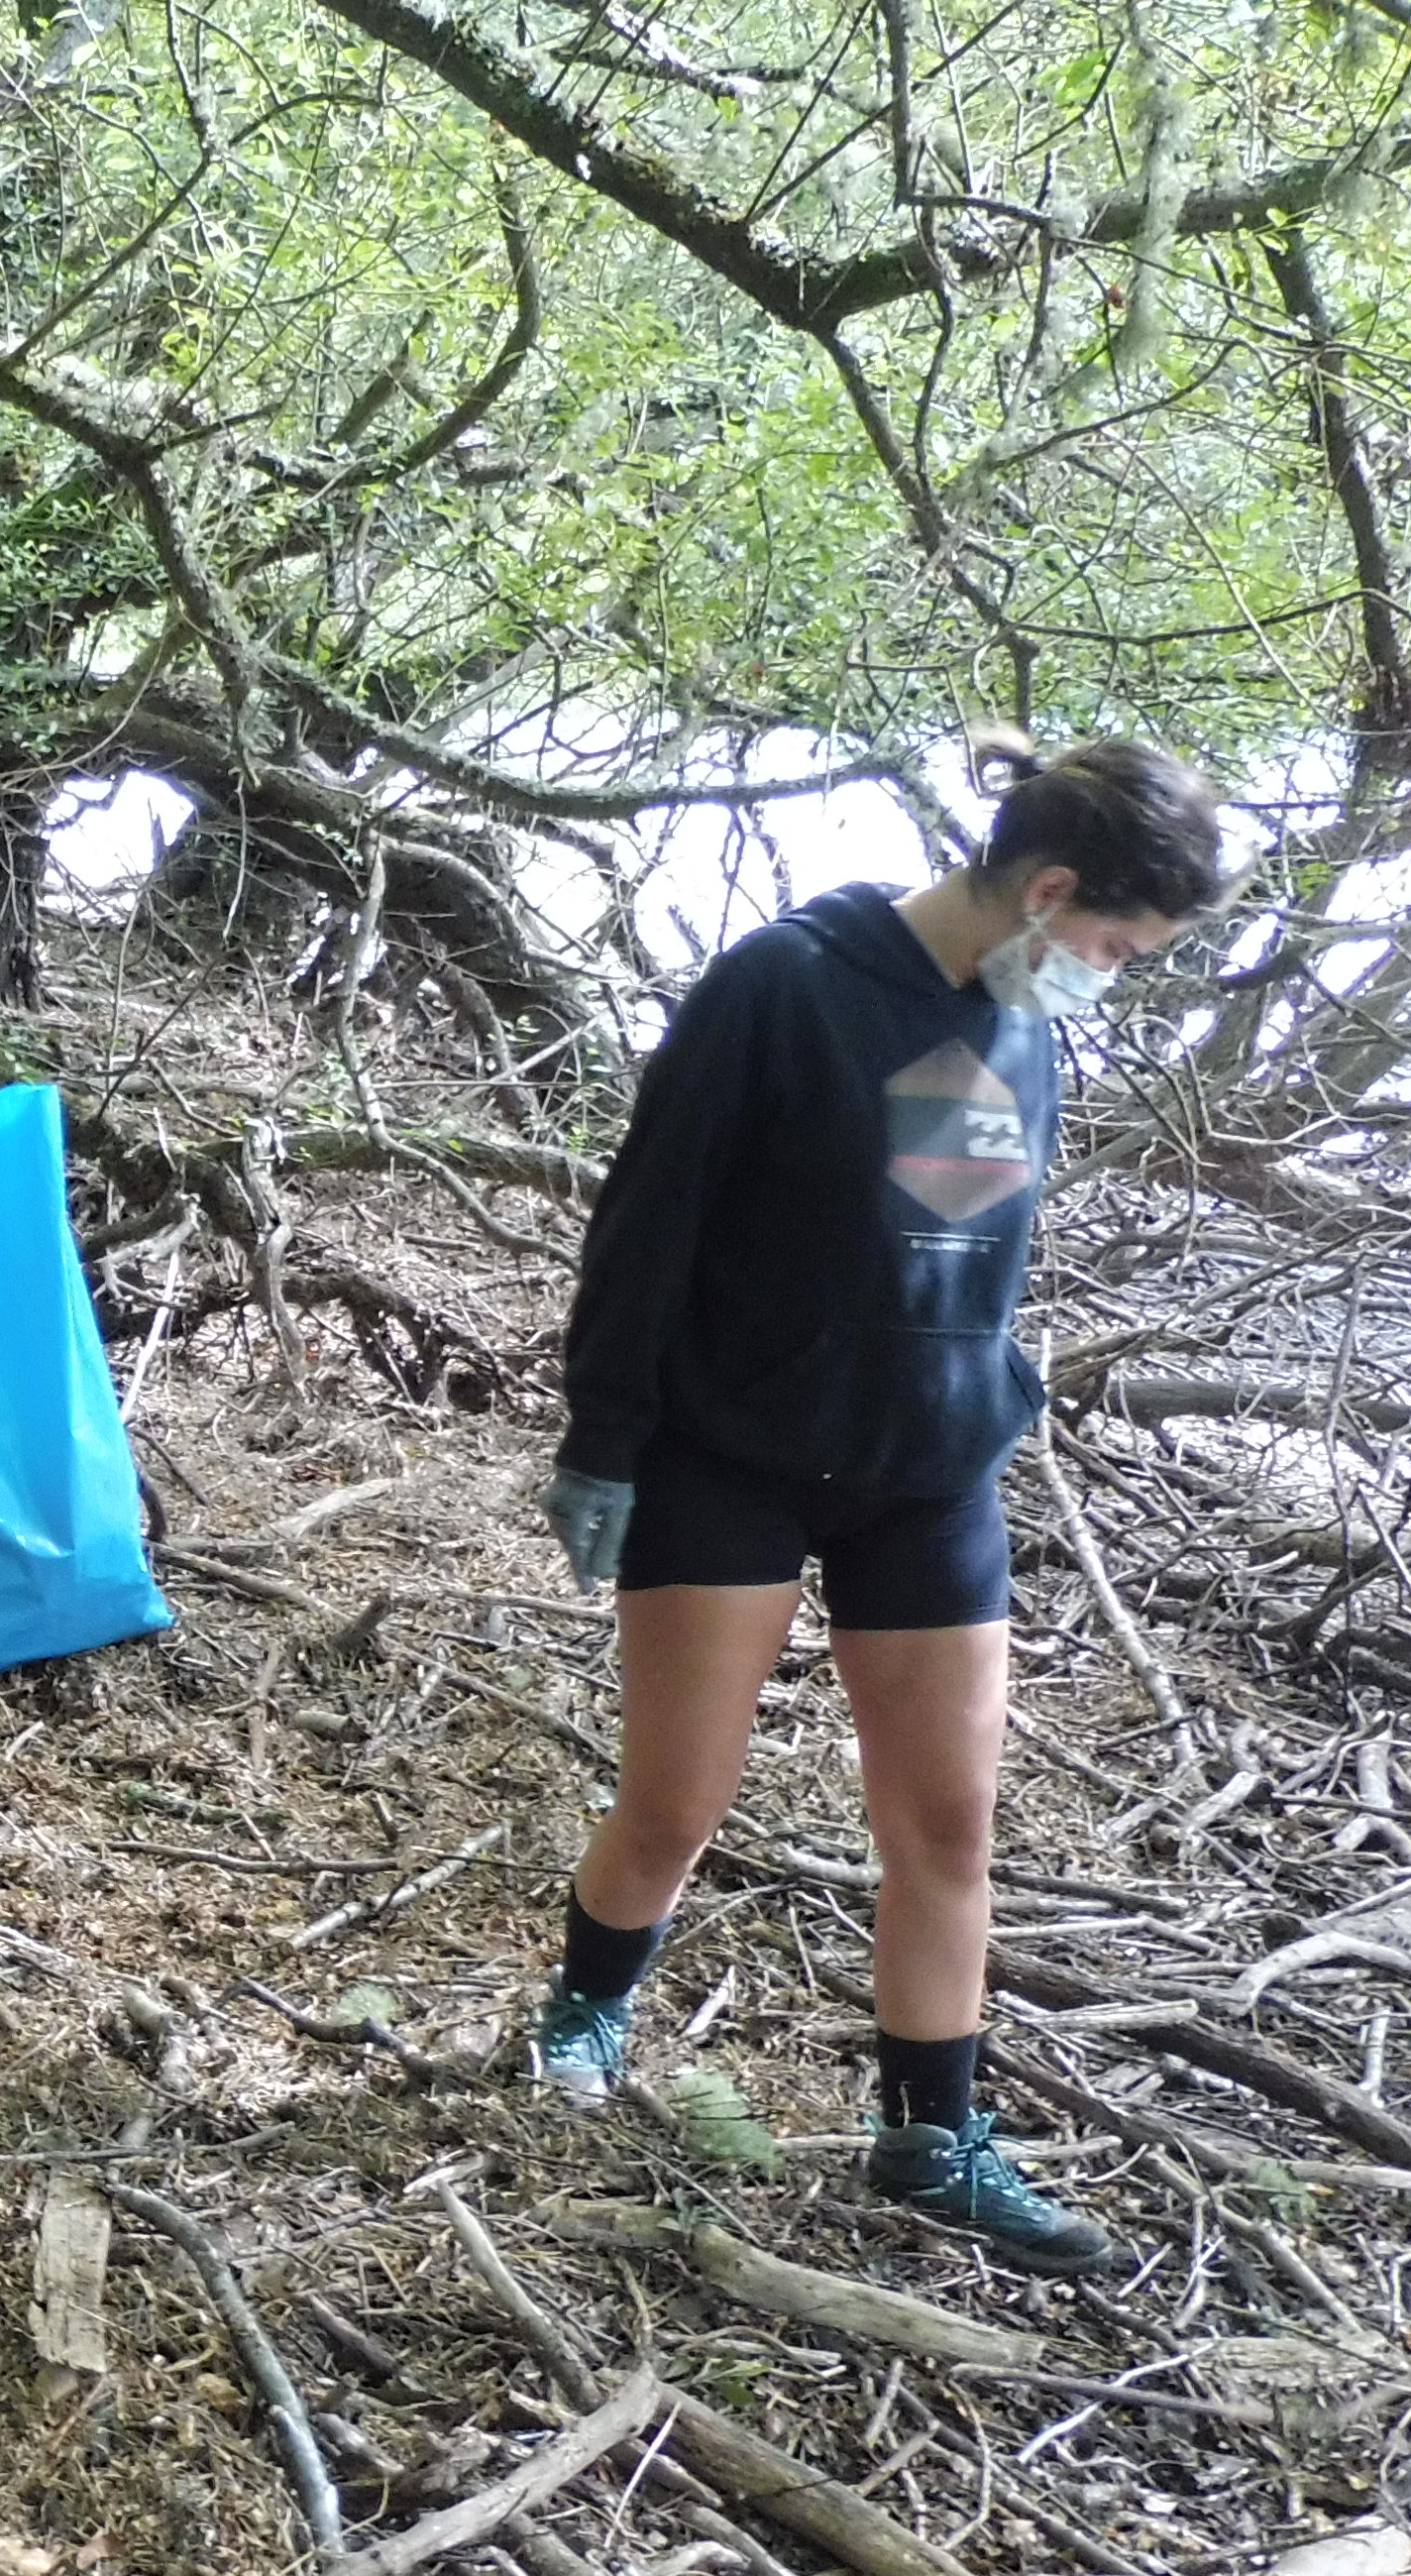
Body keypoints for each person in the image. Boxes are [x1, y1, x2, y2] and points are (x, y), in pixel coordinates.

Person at [522, 732, 1227, 2277]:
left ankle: (929, 2136)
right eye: (1114, 945)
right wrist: (606, 1438)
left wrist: (986, 1386)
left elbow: (956, 1240)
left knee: (950, 1823)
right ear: (1049, 891)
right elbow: (649, 1221)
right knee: (674, 1807)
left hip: (928, 1472)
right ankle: (586, 2006)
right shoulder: (784, 984)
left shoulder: (1023, 1024)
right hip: (737, 1450)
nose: (1111, 976)